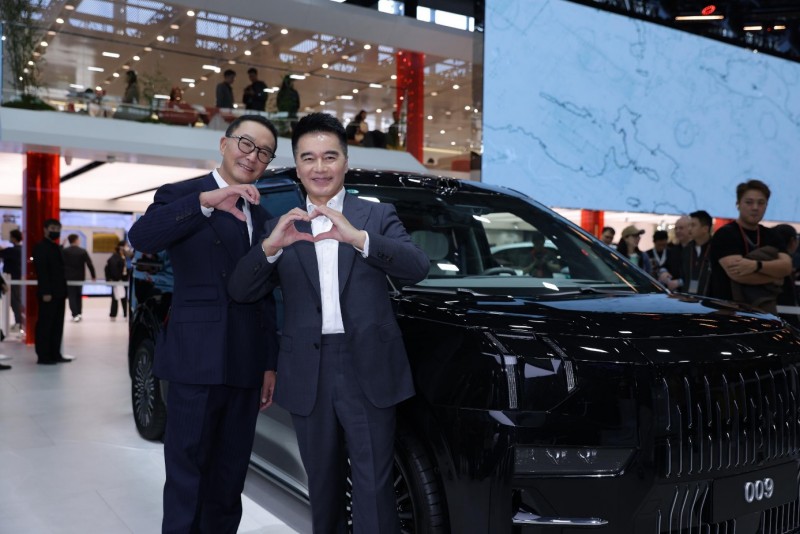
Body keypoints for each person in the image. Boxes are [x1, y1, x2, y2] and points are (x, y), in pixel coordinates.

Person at [229, 112, 429, 533]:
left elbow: (416, 267)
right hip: (308, 371)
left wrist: (358, 238)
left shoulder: (375, 216)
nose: (319, 167)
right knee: (322, 487)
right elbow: (241, 290)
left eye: (329, 157)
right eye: (309, 158)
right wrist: (270, 248)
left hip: (368, 368)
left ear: (345, 162)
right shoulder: (280, 224)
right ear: (298, 167)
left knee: (374, 488)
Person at [127, 114, 279, 534]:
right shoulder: (183, 195)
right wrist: (206, 202)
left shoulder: (263, 215)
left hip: (246, 364)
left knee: (229, 481)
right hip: (195, 360)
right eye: (246, 144)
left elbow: (265, 293)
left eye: (264, 152)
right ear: (224, 144)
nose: (253, 156)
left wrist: (269, 363)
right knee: (187, 479)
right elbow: (142, 237)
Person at [708, 179, 791, 311]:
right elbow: (738, 274)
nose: (755, 208)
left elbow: (786, 267)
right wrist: (776, 277)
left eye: (761, 203)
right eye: (749, 202)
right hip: (727, 310)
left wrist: (756, 265)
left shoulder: (772, 235)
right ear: (738, 204)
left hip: (763, 310)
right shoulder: (725, 234)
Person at [32, 219, 71, 365]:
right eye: (53, 228)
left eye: (58, 229)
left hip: (59, 292)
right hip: (48, 293)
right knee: (45, 325)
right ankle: (43, 356)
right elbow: (42, 272)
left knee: (57, 325)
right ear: (45, 229)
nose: (55, 231)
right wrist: (45, 291)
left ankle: (55, 354)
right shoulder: (41, 247)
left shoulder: (55, 247)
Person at [62, 233, 96, 322]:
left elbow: (60, 263)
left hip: (68, 277)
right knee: (78, 295)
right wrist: (93, 275)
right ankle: (79, 313)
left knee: (72, 296)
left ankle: (75, 314)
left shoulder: (65, 251)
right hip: (80, 277)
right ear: (76, 240)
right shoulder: (82, 251)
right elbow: (89, 264)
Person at [679, 209, 713, 295]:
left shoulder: (716, 248)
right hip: (688, 297)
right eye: (689, 225)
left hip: (710, 298)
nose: (689, 229)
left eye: (693, 225)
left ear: (705, 229)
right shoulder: (687, 249)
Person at [0, 228, 24, 330]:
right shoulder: (20, 249)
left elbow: (2, 253)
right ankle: (19, 322)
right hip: (17, 278)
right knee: (17, 300)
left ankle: (19, 322)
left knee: (15, 301)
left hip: (13, 279)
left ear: (14, 238)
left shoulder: (12, 250)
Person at [105, 243, 128, 321]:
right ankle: (114, 314)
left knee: (122, 297)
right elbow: (112, 269)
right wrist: (117, 278)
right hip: (118, 280)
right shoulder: (115, 257)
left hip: (122, 280)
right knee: (116, 297)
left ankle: (125, 313)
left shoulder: (123, 256)